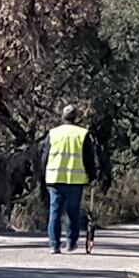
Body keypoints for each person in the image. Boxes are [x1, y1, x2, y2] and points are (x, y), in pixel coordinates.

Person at [44, 105, 91, 254]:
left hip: (55, 178)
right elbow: (88, 158)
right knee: (73, 212)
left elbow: (44, 156)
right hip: (75, 179)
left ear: (62, 117)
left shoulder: (53, 133)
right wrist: (93, 175)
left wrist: (42, 174)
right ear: (76, 117)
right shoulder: (82, 134)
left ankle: (54, 245)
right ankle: (71, 243)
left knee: (55, 212)